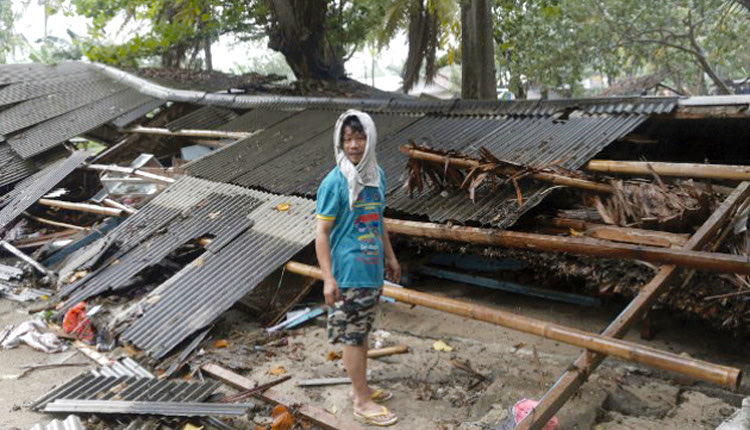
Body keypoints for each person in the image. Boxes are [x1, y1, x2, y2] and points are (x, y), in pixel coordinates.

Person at [315, 110, 400, 426]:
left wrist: (390, 257)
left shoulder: (377, 175)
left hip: (371, 271)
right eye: (347, 139)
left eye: (359, 137)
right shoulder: (334, 182)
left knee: (361, 332)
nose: (353, 145)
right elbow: (321, 234)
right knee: (352, 337)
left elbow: (379, 221)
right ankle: (361, 401)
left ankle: (359, 389)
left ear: (371, 138)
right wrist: (327, 278)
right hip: (348, 272)